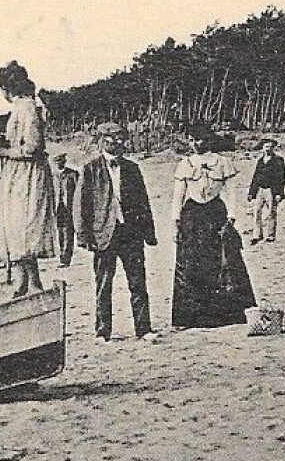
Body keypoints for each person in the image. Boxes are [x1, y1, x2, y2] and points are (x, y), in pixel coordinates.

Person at [73, 123, 159, 343]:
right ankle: (103, 331)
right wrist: (84, 237)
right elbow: (81, 206)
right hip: (103, 235)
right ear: (102, 141)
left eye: (122, 139)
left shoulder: (132, 168)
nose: (119, 144)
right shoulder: (90, 169)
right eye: (113, 139)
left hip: (131, 232)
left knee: (138, 283)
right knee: (103, 284)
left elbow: (143, 202)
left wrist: (149, 233)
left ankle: (144, 329)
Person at [171, 130, 257, 330]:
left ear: (208, 140)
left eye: (198, 138)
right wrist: (175, 220)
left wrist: (232, 216)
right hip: (192, 216)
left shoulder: (222, 162)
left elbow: (232, 192)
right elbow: (178, 195)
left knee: (223, 261)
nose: (194, 143)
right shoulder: (185, 164)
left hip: (216, 213)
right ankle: (189, 318)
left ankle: (228, 315)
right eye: (191, 139)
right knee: (190, 264)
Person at [0, 61, 57, 296]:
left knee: (23, 227)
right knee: (17, 228)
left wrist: (5, 152)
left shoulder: (27, 108)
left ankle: (30, 283)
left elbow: (32, 147)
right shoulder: (23, 107)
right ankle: (25, 282)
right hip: (19, 174)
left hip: (27, 175)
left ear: (8, 87)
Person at [246, 138, 285, 244]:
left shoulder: (278, 160)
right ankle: (257, 235)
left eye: (271, 147)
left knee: (271, 213)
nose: (268, 149)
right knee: (257, 212)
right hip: (260, 189)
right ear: (262, 148)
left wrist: (279, 193)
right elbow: (255, 177)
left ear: (274, 148)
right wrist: (251, 192)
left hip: (271, 190)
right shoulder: (260, 161)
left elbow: (281, 178)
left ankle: (270, 235)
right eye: (266, 147)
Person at [52, 152, 79, 265]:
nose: (59, 163)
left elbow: (79, 193)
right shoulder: (52, 176)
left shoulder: (73, 174)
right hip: (58, 208)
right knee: (60, 232)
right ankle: (62, 254)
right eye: (57, 161)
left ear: (65, 161)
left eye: (61, 161)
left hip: (69, 207)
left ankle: (66, 258)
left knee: (68, 232)